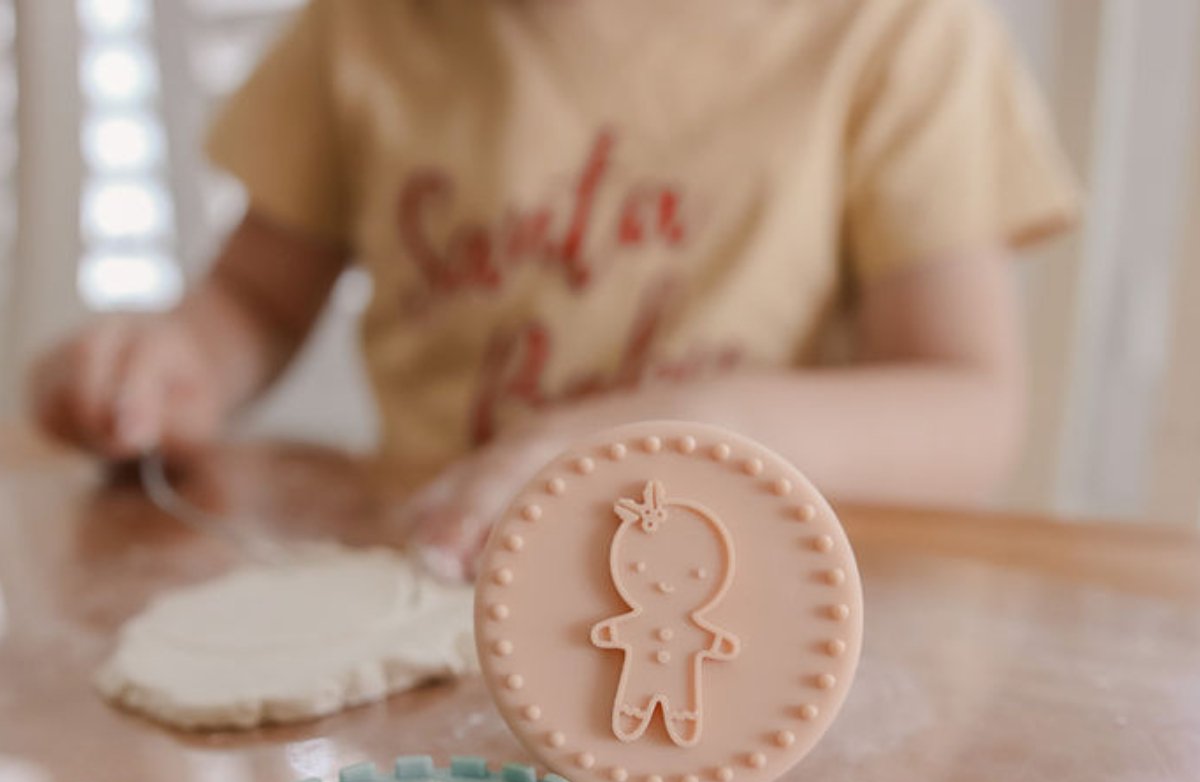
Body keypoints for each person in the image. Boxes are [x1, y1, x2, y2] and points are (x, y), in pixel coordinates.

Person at [29, 0, 1078, 581]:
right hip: (437, 591)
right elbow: (256, 296)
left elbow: (967, 407)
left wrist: (691, 428)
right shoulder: (361, 26)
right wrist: (176, 362)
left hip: (737, 612)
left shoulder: (898, 32)